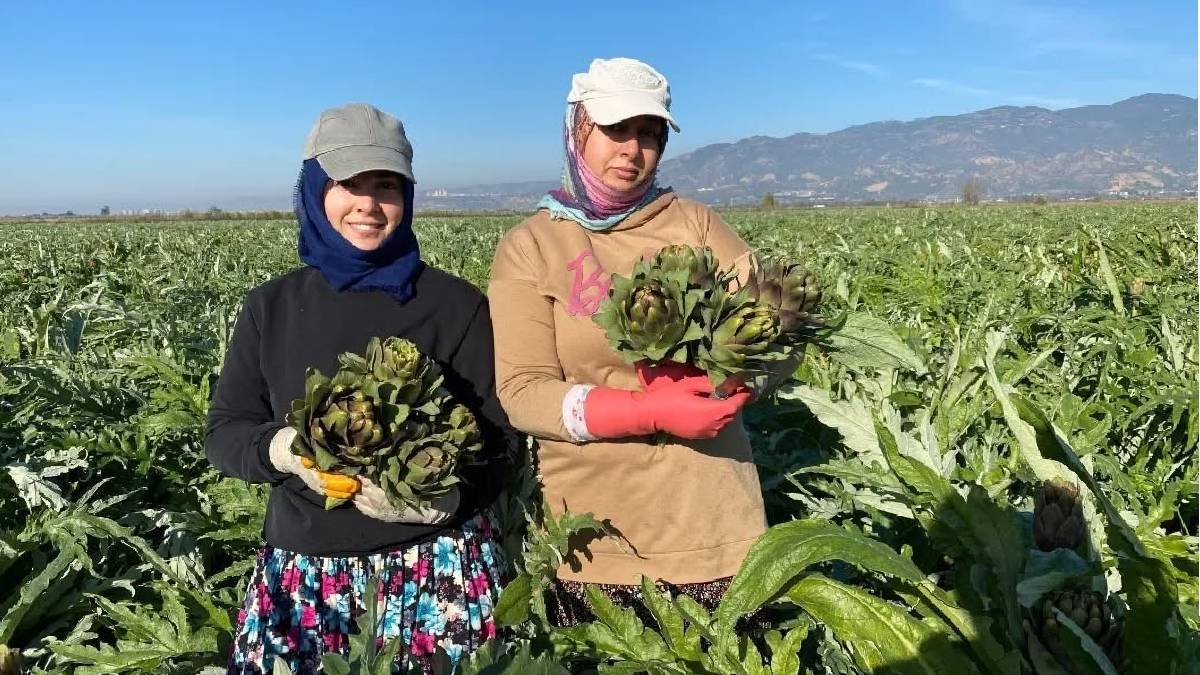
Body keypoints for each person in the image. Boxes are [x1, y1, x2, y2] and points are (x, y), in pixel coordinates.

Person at [206, 103, 518, 674]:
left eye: (387, 186)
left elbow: (500, 442)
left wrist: (445, 502)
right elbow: (225, 432)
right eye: (350, 184)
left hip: (438, 566)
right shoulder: (271, 308)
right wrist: (283, 451)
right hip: (304, 578)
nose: (368, 205)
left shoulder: (456, 306)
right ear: (315, 189)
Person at [486, 58, 767, 625]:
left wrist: (733, 383)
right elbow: (523, 392)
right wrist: (647, 410)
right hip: (595, 544)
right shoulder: (532, 246)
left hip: (717, 524)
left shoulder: (697, 225)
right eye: (616, 129)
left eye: (650, 133)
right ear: (577, 130)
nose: (633, 150)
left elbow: (776, 336)